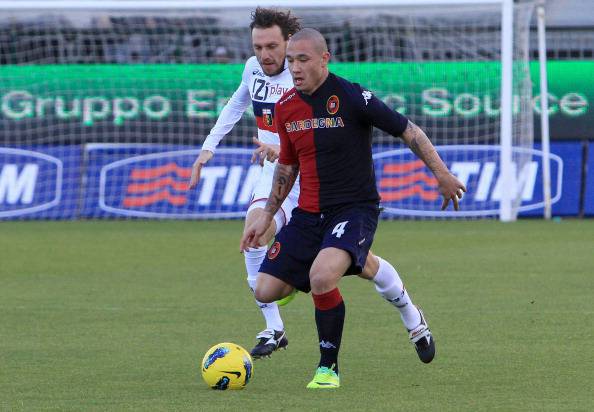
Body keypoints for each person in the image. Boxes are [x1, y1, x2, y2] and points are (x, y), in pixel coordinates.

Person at [240, 28, 466, 389]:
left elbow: (409, 130)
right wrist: (267, 215)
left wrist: (442, 174)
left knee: (322, 277)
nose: (294, 67)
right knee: (265, 291)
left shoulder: (351, 97)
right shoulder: (285, 107)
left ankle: (328, 369)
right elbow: (287, 165)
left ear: (324, 59)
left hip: (354, 210)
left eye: (303, 59)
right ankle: (402, 304)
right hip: (308, 215)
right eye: (291, 60)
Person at [188, 8, 301, 359]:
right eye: (258, 47)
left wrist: (282, 149)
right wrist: (208, 148)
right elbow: (236, 104)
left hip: (310, 176)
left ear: (289, 42)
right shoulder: (252, 68)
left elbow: (320, 133)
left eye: (272, 46)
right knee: (253, 236)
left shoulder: (304, 75)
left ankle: (411, 317)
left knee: (350, 267)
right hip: (273, 175)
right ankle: (274, 329)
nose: (264, 54)